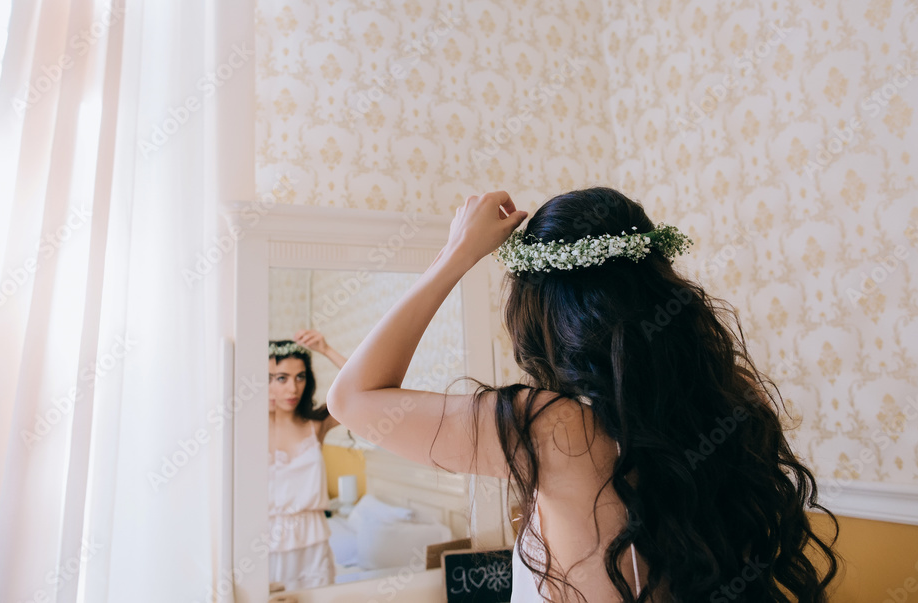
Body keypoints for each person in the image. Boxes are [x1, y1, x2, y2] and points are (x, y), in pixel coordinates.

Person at [328, 188, 841, 602]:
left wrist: (456, 254)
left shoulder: (553, 428)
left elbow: (351, 397)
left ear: (540, 312)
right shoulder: (728, 401)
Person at [268, 329, 347, 591]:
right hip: (264, 542)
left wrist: (325, 349)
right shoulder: (245, 430)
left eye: (300, 377)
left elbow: (363, 389)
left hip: (313, 540)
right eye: (282, 378)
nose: (293, 388)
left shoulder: (317, 425)